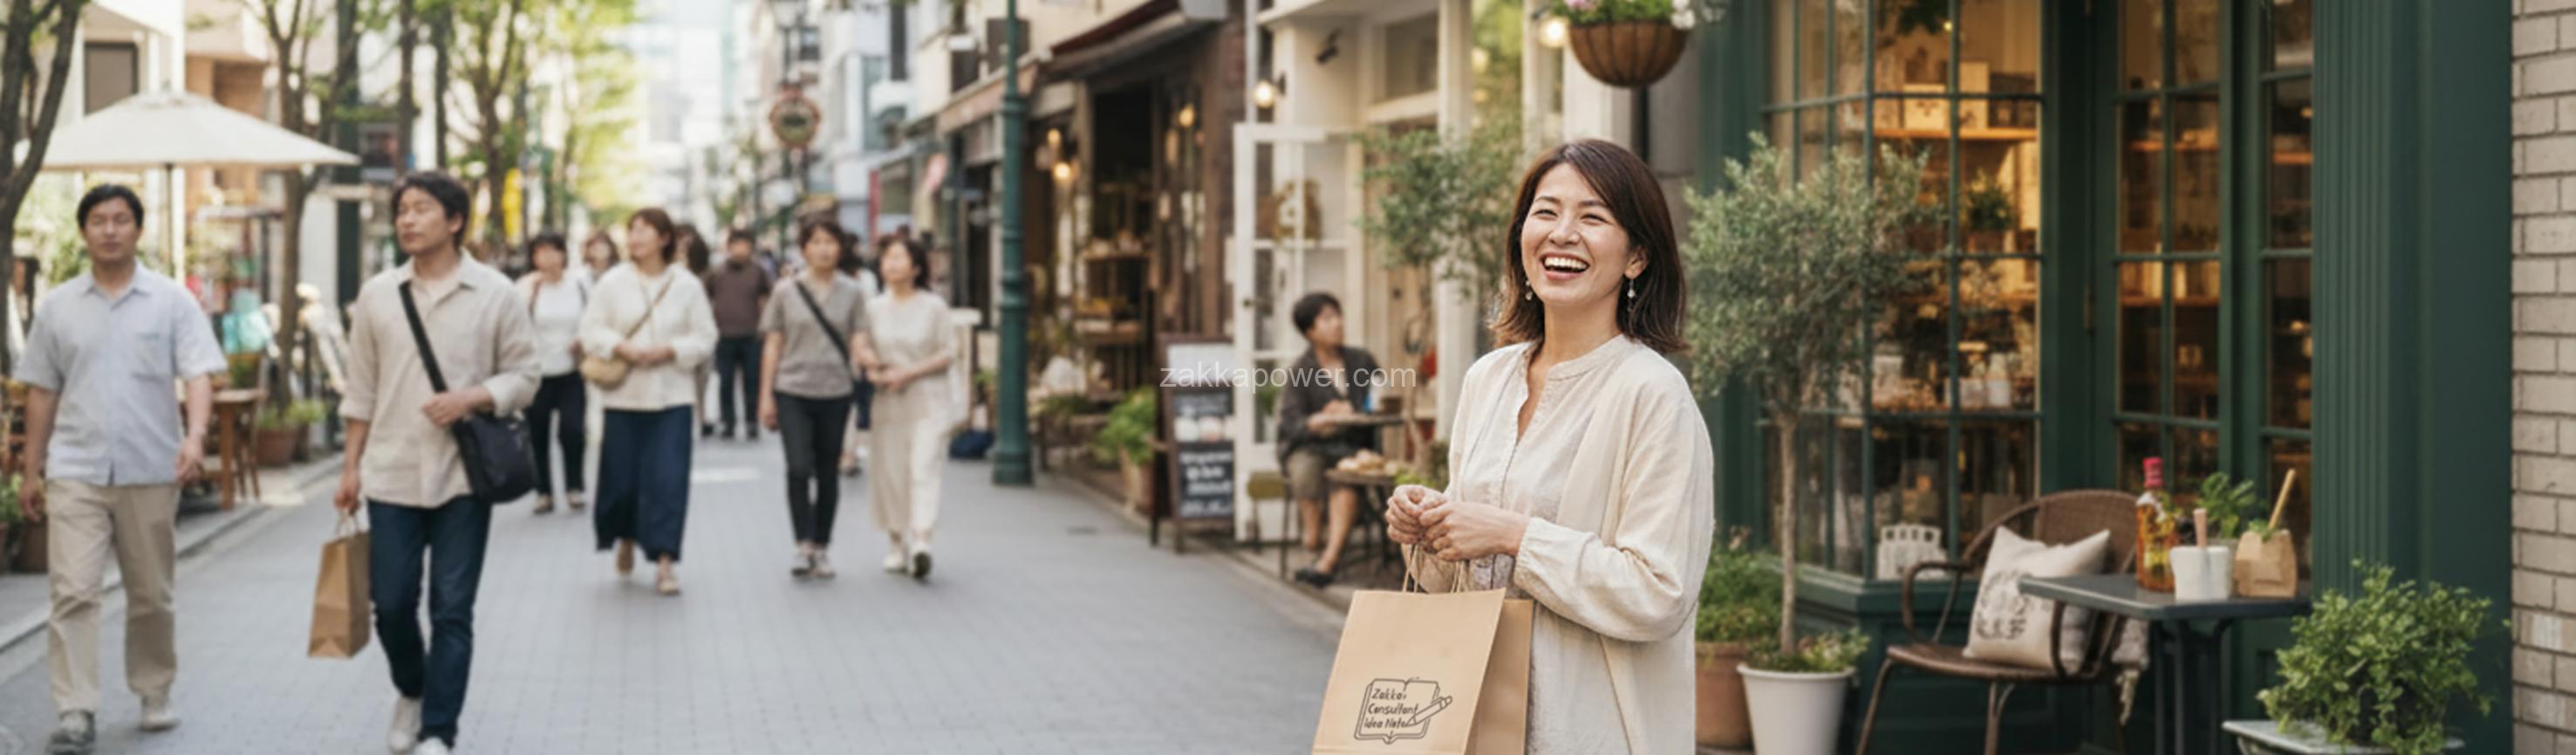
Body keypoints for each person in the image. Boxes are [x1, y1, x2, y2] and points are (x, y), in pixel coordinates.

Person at [1384, 140, 1713, 755]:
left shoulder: (1652, 394)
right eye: (1546, 212)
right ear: (1520, 239)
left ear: (1636, 256)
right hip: (1474, 719)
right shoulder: (1489, 378)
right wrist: (1428, 526)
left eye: (1592, 217)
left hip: (1587, 727)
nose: (1562, 234)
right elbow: (1463, 564)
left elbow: (1659, 593)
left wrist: (1513, 535)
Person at [16, 184, 226, 755]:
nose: (110, 230)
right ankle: (76, 707)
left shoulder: (170, 301)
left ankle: (154, 690)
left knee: (151, 592)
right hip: (76, 468)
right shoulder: (58, 306)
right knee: (73, 591)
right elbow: (41, 391)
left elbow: (200, 372)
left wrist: (195, 436)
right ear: (84, 232)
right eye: (99, 221)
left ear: (137, 229)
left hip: (151, 467)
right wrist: (30, 472)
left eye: (121, 219)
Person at [337, 171, 541, 755]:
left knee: (452, 609)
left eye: (421, 209)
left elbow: (527, 375)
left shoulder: (496, 293)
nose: (407, 219)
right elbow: (361, 390)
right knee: (393, 603)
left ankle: (438, 731)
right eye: (402, 209)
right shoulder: (377, 295)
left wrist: (473, 397)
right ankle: (411, 687)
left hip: (462, 476)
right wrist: (349, 468)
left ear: (454, 221)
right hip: (392, 470)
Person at [583, 208, 717, 596]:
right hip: (623, 399)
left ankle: (664, 561)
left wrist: (670, 350)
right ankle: (626, 537)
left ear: (664, 238)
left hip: (672, 398)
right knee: (622, 482)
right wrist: (621, 346)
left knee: (668, 481)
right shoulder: (612, 283)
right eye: (632, 230)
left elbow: (706, 337)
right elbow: (590, 330)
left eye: (645, 230)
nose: (636, 238)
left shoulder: (686, 285)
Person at [758, 221, 876, 580]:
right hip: (792, 388)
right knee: (797, 467)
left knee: (828, 471)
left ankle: (821, 545)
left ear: (840, 249)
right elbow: (773, 344)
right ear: (804, 248)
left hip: (835, 390)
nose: (824, 249)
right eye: (816, 242)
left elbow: (858, 339)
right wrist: (766, 396)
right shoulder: (786, 291)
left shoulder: (853, 292)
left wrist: (871, 361)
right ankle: (802, 543)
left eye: (830, 242)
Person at [1273, 292, 1382, 589]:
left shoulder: (1361, 361)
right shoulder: (1300, 371)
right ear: (1310, 331)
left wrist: (1352, 410)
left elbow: (1378, 402)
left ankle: (1327, 562)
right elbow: (1291, 424)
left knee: (1346, 482)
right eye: (1328, 319)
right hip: (1312, 445)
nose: (1338, 324)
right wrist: (1319, 419)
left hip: (1352, 446)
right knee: (1305, 468)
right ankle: (1313, 535)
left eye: (1338, 316)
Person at [866, 237, 954, 580]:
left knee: (923, 466)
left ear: (917, 268)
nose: (892, 264)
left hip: (928, 396)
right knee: (891, 471)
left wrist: (909, 373)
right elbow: (863, 350)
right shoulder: (873, 308)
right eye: (887, 257)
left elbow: (947, 353)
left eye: (900, 258)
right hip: (888, 399)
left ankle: (921, 540)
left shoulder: (934, 307)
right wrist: (875, 372)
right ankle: (896, 541)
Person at [517, 232, 590, 515]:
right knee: (537, 434)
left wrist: (582, 339)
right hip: (536, 373)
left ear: (563, 254)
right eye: (540, 251)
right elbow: (514, 325)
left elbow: (593, 318)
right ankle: (543, 492)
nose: (546, 257)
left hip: (571, 370)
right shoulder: (525, 287)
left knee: (573, 431)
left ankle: (574, 487)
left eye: (552, 251)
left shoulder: (579, 285)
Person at [703, 228, 775, 441]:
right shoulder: (717, 272)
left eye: (743, 245)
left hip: (752, 335)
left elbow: (766, 299)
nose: (739, 250)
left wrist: (765, 327)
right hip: (724, 335)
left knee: (752, 381)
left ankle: (751, 422)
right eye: (735, 245)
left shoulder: (758, 272)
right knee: (725, 381)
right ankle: (728, 422)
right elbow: (705, 298)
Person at [837, 233, 885, 477]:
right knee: (854, 404)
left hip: (846, 349)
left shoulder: (851, 281)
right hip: (857, 348)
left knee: (845, 405)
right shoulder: (866, 279)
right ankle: (849, 454)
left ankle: (845, 453)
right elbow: (872, 314)